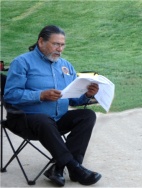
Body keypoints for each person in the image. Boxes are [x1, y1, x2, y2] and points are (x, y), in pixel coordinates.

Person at [4, 25, 102, 186]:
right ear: (41, 42)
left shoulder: (66, 66)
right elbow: (10, 95)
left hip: (56, 120)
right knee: (43, 119)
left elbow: (73, 99)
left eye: (62, 45)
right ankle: (75, 168)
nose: (60, 49)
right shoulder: (21, 62)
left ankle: (59, 167)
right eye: (56, 44)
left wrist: (87, 95)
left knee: (87, 116)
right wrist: (40, 95)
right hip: (25, 121)